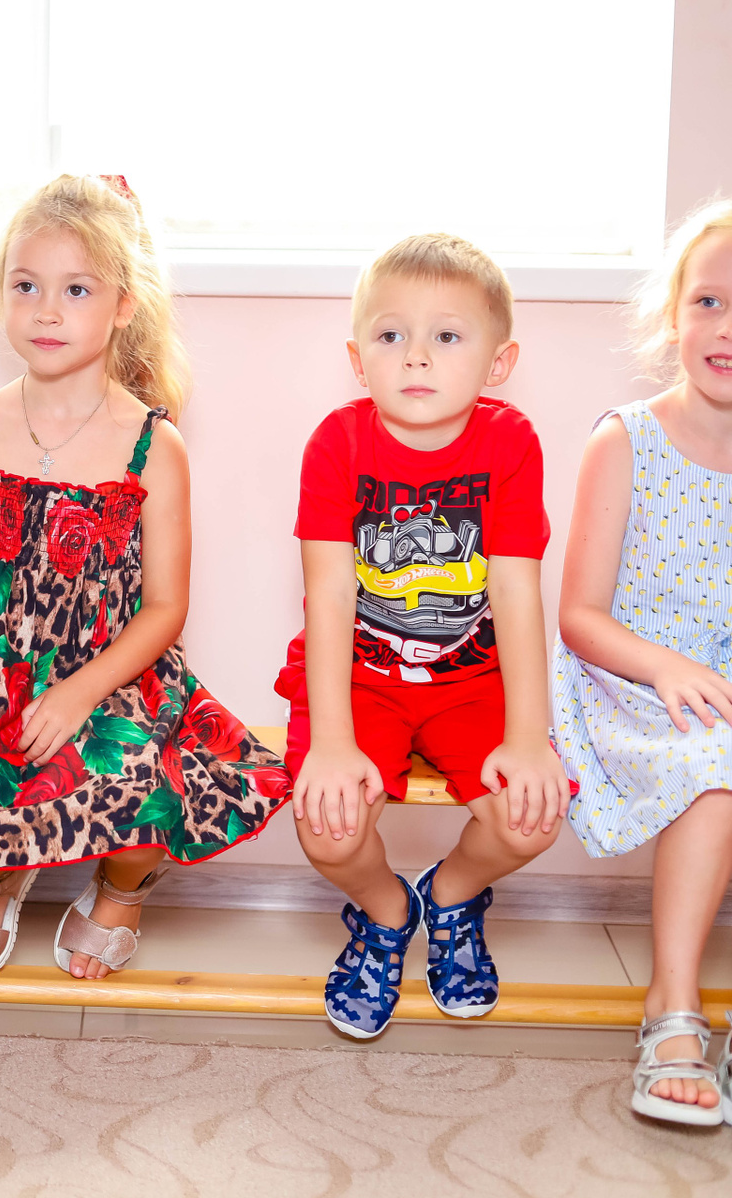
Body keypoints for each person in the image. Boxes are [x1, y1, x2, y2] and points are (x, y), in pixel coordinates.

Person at [0, 173, 289, 991]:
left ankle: (121, 890)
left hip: (117, 676)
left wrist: (78, 695)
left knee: (144, 781)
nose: (47, 310)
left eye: (75, 290)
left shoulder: (153, 445)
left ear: (122, 305)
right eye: (26, 286)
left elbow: (166, 607)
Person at [282, 233, 566, 1039]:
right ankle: (385, 911)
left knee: (531, 817)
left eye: (446, 335)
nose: (415, 356)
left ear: (498, 363)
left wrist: (528, 738)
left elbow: (515, 591)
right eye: (390, 335)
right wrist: (333, 742)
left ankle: (451, 895)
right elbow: (330, 593)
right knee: (328, 827)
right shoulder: (338, 443)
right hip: (358, 678)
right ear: (357, 358)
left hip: (471, 682)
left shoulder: (511, 444)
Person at [554, 200, 732, 1124]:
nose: (726, 327)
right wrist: (663, 667)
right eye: (709, 301)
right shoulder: (627, 440)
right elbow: (580, 616)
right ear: (673, 317)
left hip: (722, 685)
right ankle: (672, 1004)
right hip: (626, 680)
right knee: (717, 760)